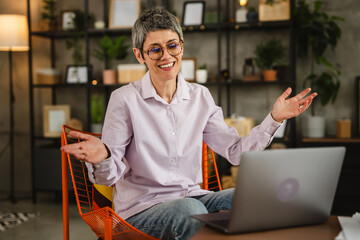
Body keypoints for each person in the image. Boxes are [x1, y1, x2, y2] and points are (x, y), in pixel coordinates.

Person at [61, 7, 317, 240]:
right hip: (140, 212)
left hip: (193, 198)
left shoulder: (200, 97)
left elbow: (237, 153)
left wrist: (274, 119)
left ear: (182, 46)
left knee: (254, 198)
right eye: (155, 49)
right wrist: (103, 156)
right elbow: (110, 175)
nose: (166, 56)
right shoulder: (124, 99)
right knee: (190, 210)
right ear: (140, 55)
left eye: (172, 46)